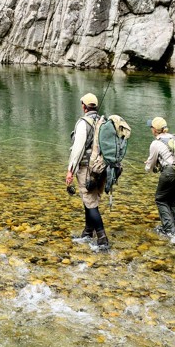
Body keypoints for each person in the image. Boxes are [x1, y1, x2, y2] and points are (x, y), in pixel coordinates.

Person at [65, 93, 109, 249]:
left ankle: (102, 239)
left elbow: (77, 149)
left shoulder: (83, 123)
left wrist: (70, 170)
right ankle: (87, 233)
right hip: (101, 169)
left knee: (91, 204)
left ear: (84, 106)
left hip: (87, 169)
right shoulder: (103, 121)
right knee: (89, 199)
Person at [145, 116, 175, 236]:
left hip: (170, 173)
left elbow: (149, 168)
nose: (151, 129)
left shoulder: (156, 143)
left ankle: (169, 232)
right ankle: (173, 230)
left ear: (155, 130)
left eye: (151, 127)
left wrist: (149, 166)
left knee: (160, 199)